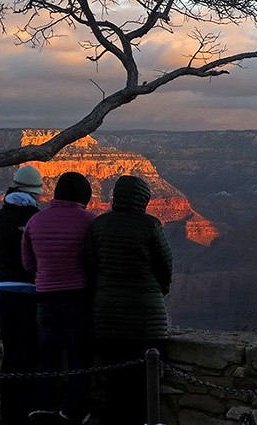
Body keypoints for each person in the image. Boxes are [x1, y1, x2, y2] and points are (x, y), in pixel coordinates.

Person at [85, 175, 173, 425]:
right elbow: (165, 265)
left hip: (107, 317)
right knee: (146, 382)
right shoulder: (150, 226)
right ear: (143, 199)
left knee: (113, 382)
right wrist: (158, 290)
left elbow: (91, 265)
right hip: (147, 319)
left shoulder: (99, 225)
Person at [21, 172, 96, 425]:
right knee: (78, 357)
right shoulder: (90, 221)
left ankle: (41, 408)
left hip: (44, 298)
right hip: (77, 298)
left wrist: (46, 275)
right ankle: (72, 412)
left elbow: (28, 264)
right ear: (83, 196)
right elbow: (94, 261)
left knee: (47, 356)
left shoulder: (35, 221)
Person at [0, 164, 43, 425]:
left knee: (11, 353)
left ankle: (9, 414)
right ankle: (29, 411)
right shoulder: (36, 220)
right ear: (35, 193)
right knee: (31, 353)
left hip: (3, 293)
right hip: (32, 293)